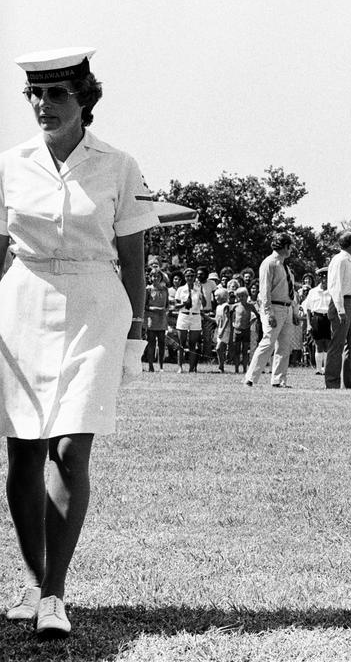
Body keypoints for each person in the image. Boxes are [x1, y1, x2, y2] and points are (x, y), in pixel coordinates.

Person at [1, 47, 157, 638]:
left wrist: (137, 334)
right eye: (35, 95)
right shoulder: (10, 164)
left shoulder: (118, 165)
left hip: (96, 305)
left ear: (84, 99)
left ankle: (54, 594)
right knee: (23, 451)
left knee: (71, 448)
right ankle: (35, 583)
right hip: (21, 302)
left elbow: (135, 259)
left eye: (58, 94)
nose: (44, 105)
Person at [244, 232, 297, 388]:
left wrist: (293, 311)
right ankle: (251, 377)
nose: (291, 249)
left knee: (284, 346)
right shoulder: (269, 263)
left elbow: (290, 289)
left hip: (286, 307)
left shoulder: (285, 265)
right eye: (290, 246)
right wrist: (268, 313)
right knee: (267, 343)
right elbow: (264, 290)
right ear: (285, 246)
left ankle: (278, 379)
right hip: (274, 306)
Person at [325, 231, 351, 390]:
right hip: (342, 302)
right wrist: (340, 309)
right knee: (337, 344)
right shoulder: (339, 260)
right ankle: (332, 382)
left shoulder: (350, 261)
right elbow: (335, 286)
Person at [174, 267, 206, 373]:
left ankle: (192, 367)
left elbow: (205, 304)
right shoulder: (180, 289)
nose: (190, 278)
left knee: (193, 343)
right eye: (187, 276)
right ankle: (180, 367)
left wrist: (201, 294)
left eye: (192, 276)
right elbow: (175, 305)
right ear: (185, 277)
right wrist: (184, 304)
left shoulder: (198, 289)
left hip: (195, 316)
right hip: (184, 315)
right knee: (181, 343)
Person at [301, 268, 332, 375]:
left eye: (326, 278)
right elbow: (308, 309)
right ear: (319, 279)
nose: (324, 280)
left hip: (328, 318)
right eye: (322, 278)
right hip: (317, 318)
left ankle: (326, 368)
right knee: (318, 344)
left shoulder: (332, 291)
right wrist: (309, 324)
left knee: (327, 344)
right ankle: (319, 369)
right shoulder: (313, 292)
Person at [145, 268, 170, 372]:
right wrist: (154, 309)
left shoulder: (165, 290)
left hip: (162, 319)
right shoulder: (148, 289)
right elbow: (145, 306)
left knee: (161, 342)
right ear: (150, 277)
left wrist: (165, 310)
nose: (155, 278)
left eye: (158, 276)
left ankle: (161, 366)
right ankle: (150, 365)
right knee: (151, 342)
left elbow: (167, 305)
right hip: (151, 318)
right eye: (153, 276)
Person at [232, 287, 254, 372]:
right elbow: (232, 316)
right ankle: (236, 369)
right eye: (239, 296)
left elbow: (256, 315)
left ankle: (245, 369)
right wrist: (234, 324)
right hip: (237, 330)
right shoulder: (235, 306)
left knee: (245, 351)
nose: (241, 298)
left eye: (243, 296)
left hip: (246, 330)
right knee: (237, 350)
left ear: (246, 296)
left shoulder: (250, 306)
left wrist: (251, 322)